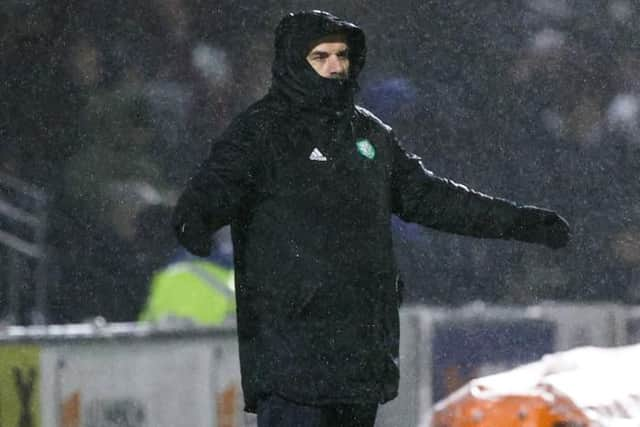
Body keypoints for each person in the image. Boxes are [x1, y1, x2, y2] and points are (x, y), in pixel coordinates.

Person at [172, 10, 570, 427]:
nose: (335, 66)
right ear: (292, 61)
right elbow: (207, 195)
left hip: (359, 352)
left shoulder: (370, 135)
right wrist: (194, 222)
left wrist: (522, 223)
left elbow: (433, 198)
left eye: (341, 55)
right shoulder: (260, 132)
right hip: (291, 353)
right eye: (319, 56)